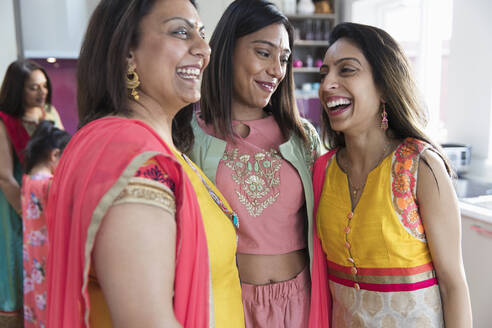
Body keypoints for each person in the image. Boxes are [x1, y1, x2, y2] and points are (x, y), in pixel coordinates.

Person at [45, 0, 244, 327]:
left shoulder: (157, 149)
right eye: (182, 32)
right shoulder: (134, 158)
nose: (204, 50)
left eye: (203, 35)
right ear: (127, 53)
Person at [309, 22, 473, 327]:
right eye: (324, 73)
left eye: (346, 70)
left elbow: (454, 286)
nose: (327, 84)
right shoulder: (323, 170)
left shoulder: (420, 167)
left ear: (383, 86)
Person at [188, 1, 321, 327]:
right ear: (226, 51)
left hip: (300, 303)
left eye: (284, 58)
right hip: (227, 304)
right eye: (264, 53)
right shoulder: (189, 137)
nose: (277, 70)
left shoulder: (303, 138)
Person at [0, 59, 62, 326]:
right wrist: (29, 210)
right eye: (33, 87)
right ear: (17, 90)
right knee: (15, 254)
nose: (42, 93)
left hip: (46, 195)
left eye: (44, 86)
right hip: (14, 198)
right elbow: (3, 174)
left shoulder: (50, 113)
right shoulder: (4, 121)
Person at [21, 121, 71, 328]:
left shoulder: (27, 180)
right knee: (52, 307)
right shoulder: (49, 185)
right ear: (54, 155)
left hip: (32, 258)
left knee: (36, 305)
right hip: (50, 259)